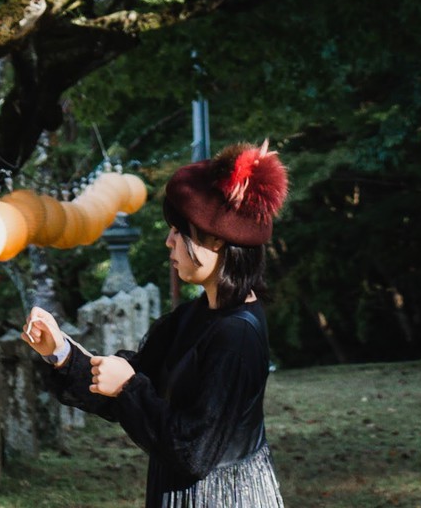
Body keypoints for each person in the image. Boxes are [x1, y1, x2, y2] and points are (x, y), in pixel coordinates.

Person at [22, 142, 288, 507]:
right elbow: (132, 380)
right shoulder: (196, 315)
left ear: (218, 242)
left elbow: (194, 452)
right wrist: (60, 352)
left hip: (220, 498)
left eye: (180, 232)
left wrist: (129, 387)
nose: (169, 242)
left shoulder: (237, 334)